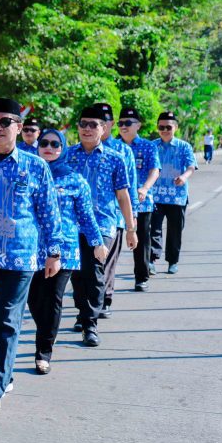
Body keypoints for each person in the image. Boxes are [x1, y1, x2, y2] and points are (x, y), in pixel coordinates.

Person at [0, 98, 62, 410]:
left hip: (20, 256)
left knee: (6, 317)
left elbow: (49, 211)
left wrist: (54, 251)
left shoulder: (36, 166)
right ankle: (3, 374)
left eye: (4, 122)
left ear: (18, 127)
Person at [27, 128, 106, 374]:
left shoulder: (74, 180)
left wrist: (97, 242)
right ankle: (46, 332)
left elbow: (86, 216)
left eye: (55, 144)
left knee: (52, 300)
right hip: (28, 250)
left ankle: (43, 352)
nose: (49, 147)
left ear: (62, 149)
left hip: (64, 250)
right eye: (44, 143)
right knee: (33, 300)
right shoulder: (26, 174)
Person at [65, 106, 135, 346]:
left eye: (92, 125)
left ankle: (90, 324)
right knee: (76, 274)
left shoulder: (115, 157)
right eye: (83, 124)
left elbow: (123, 195)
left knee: (94, 272)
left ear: (103, 128)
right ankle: (83, 313)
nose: (87, 129)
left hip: (103, 224)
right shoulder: (67, 155)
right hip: (71, 226)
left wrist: (131, 228)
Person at [95, 103, 137, 317]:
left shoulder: (122, 150)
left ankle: (105, 299)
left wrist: (132, 221)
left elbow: (128, 191)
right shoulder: (78, 150)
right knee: (88, 268)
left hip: (114, 218)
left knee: (107, 263)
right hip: (84, 221)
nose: (99, 126)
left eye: (105, 121)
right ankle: (88, 307)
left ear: (110, 123)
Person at [117, 108, 160, 292]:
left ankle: (141, 277)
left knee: (141, 241)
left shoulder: (148, 146)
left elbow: (155, 170)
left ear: (138, 125)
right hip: (116, 203)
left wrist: (145, 188)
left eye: (128, 123)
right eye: (121, 123)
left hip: (141, 201)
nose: (123, 126)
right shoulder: (113, 146)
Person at [151, 111, 197, 274]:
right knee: (153, 229)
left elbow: (191, 165)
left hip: (177, 197)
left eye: (168, 127)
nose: (164, 130)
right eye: (161, 127)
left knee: (175, 231)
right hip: (155, 196)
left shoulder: (184, 147)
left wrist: (184, 177)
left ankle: (172, 261)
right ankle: (151, 260)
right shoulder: (152, 146)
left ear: (175, 127)